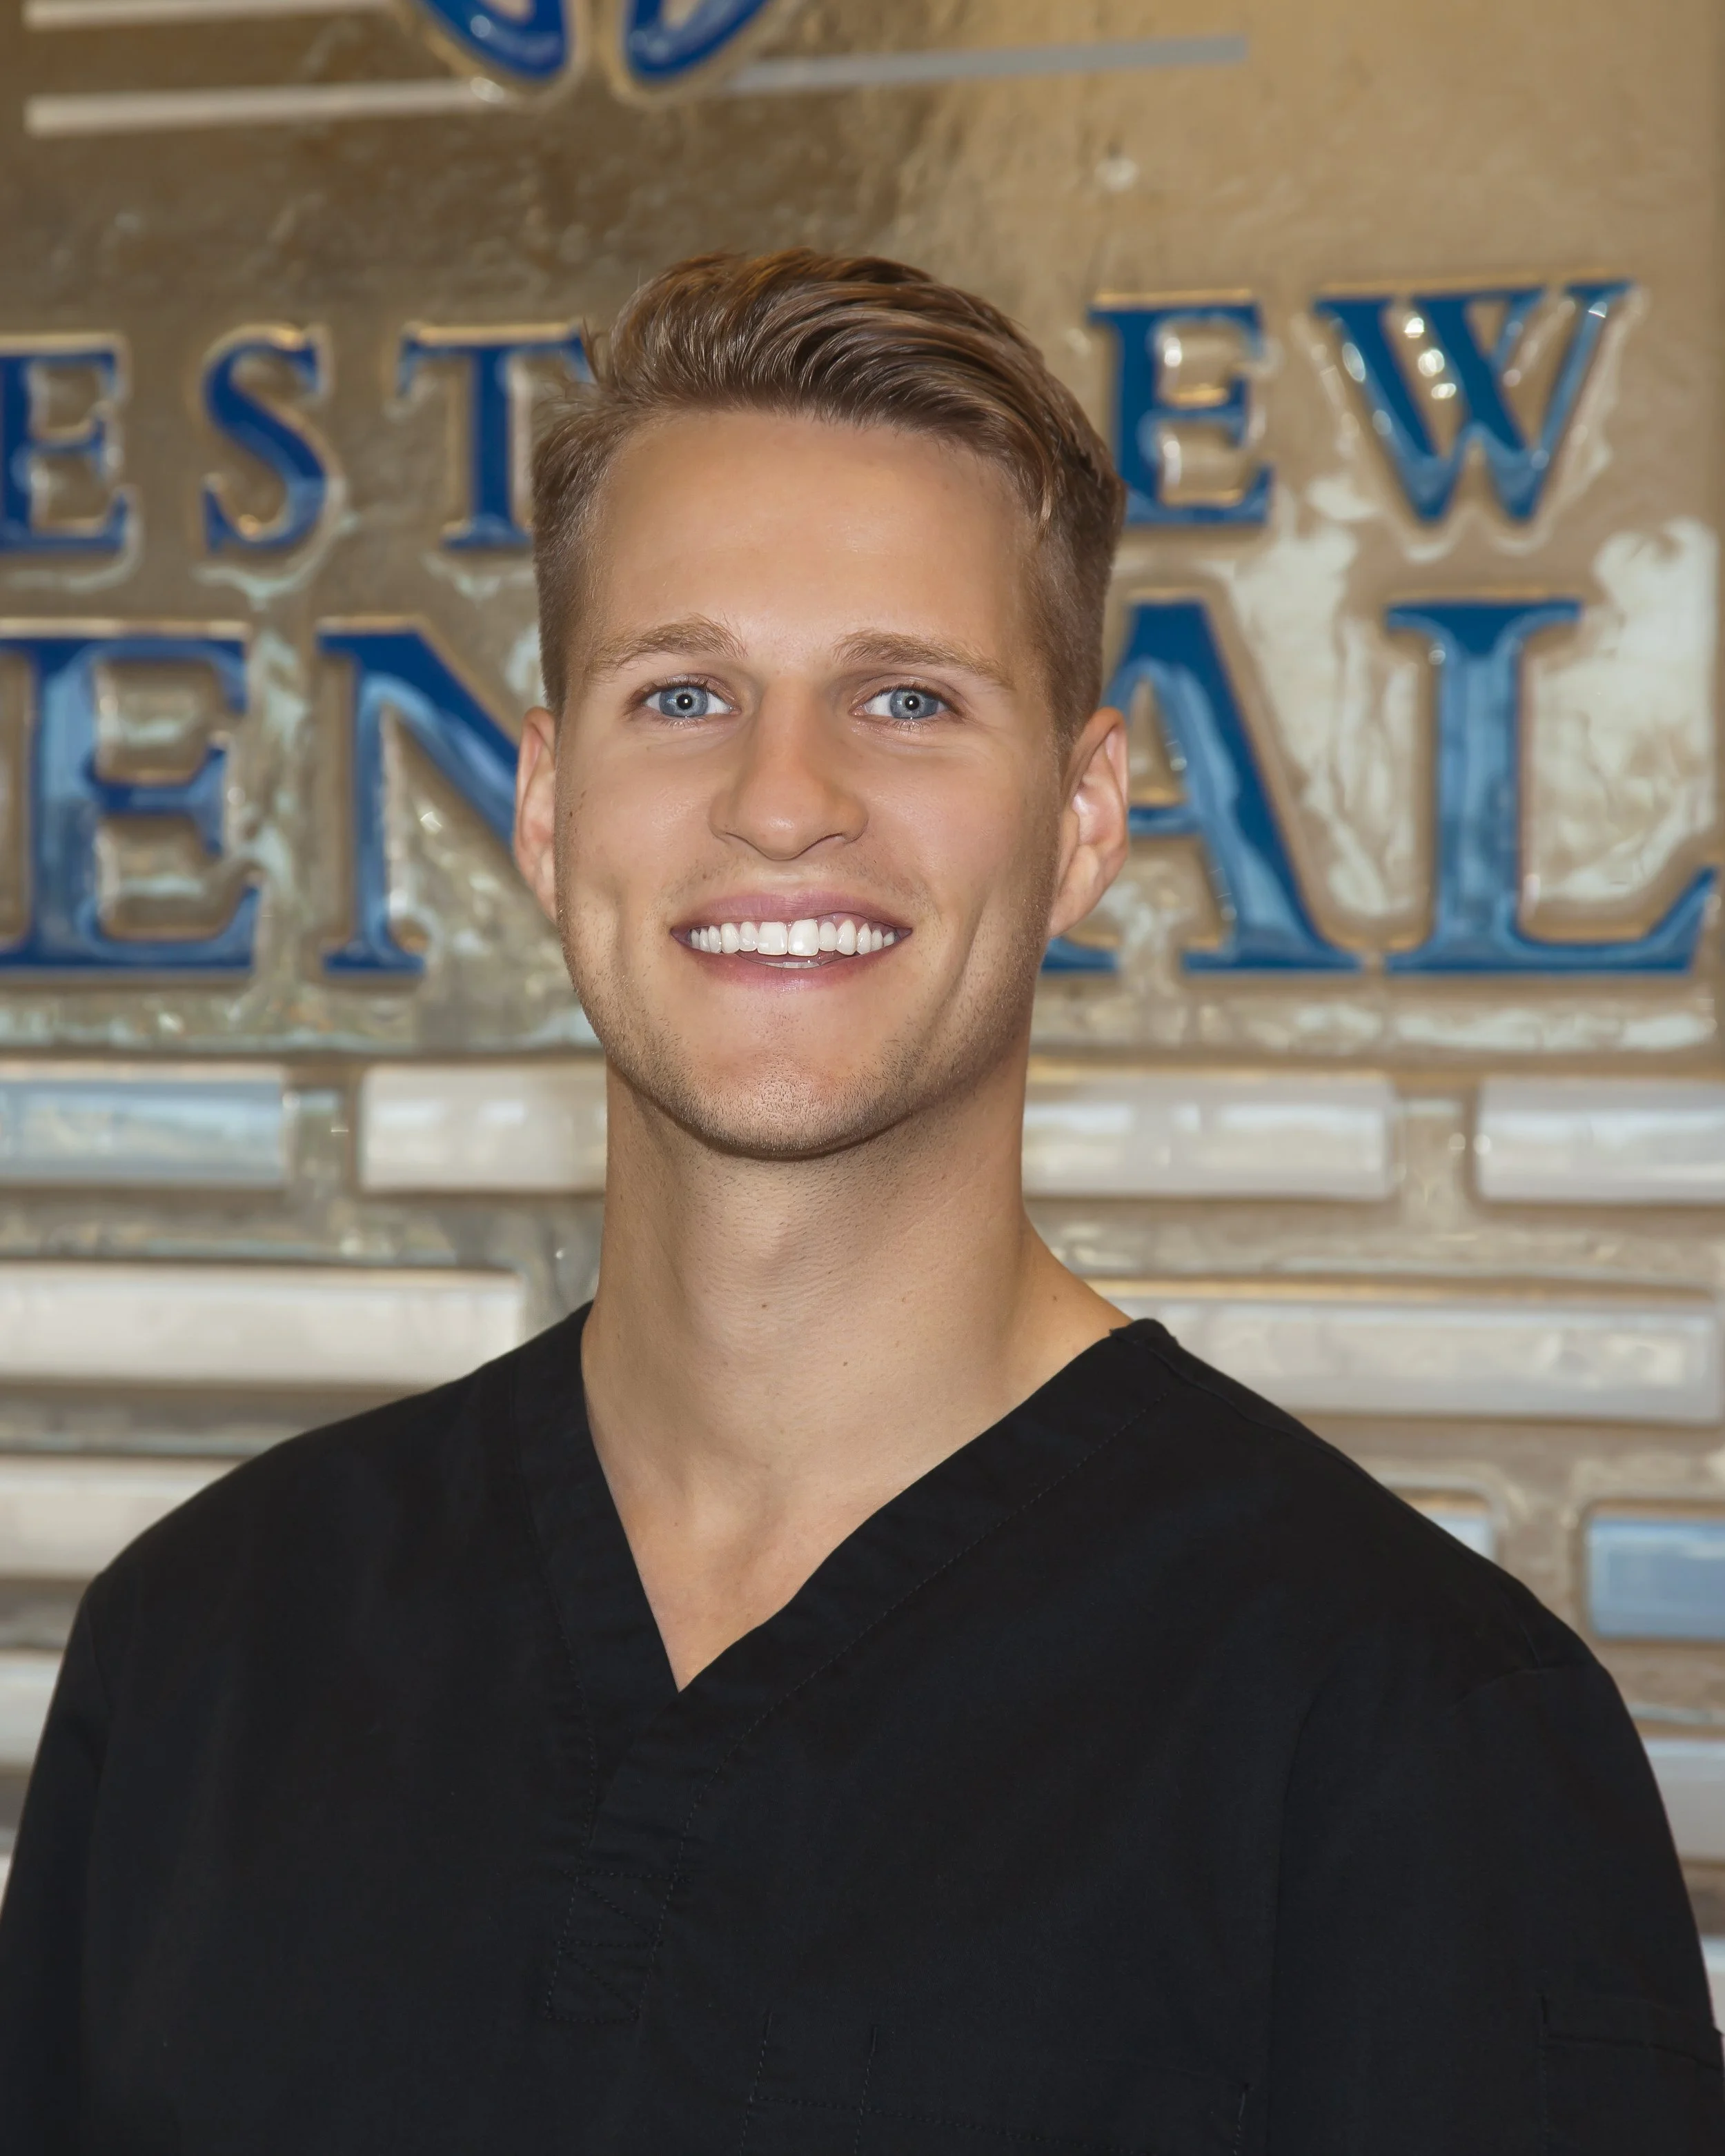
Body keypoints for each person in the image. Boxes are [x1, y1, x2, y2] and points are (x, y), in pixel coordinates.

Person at [0, 249, 1717, 2154]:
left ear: (1081, 821)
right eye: (683, 692)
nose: (783, 796)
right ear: (548, 808)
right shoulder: (207, 1646)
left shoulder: (1411, 1728)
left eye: (904, 697)